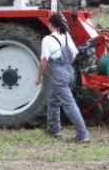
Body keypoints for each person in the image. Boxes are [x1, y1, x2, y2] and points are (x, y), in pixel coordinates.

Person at [36, 12, 90, 143]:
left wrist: (39, 76)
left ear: (50, 24)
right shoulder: (66, 37)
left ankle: (82, 134)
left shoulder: (48, 40)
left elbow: (43, 61)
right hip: (70, 73)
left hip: (59, 75)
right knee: (53, 98)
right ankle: (54, 128)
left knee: (69, 104)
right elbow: (74, 54)